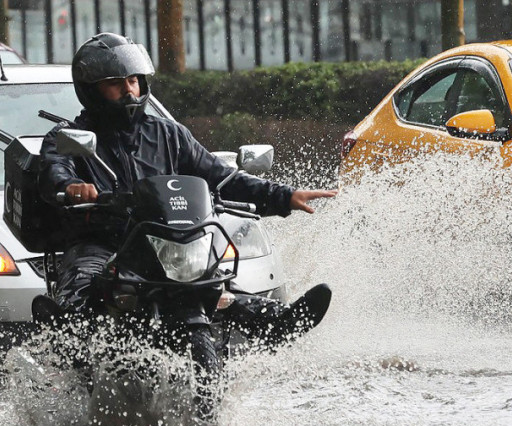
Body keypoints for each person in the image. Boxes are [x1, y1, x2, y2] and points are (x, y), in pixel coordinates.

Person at [39, 32, 337, 347]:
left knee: (214, 284)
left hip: (162, 240)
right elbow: (54, 171)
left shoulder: (170, 134)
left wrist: (283, 196)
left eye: (133, 81)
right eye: (116, 83)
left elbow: (219, 176)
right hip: (100, 241)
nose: (128, 90)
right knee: (83, 286)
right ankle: (67, 340)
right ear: (92, 91)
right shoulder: (70, 136)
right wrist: (72, 187)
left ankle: (275, 323)